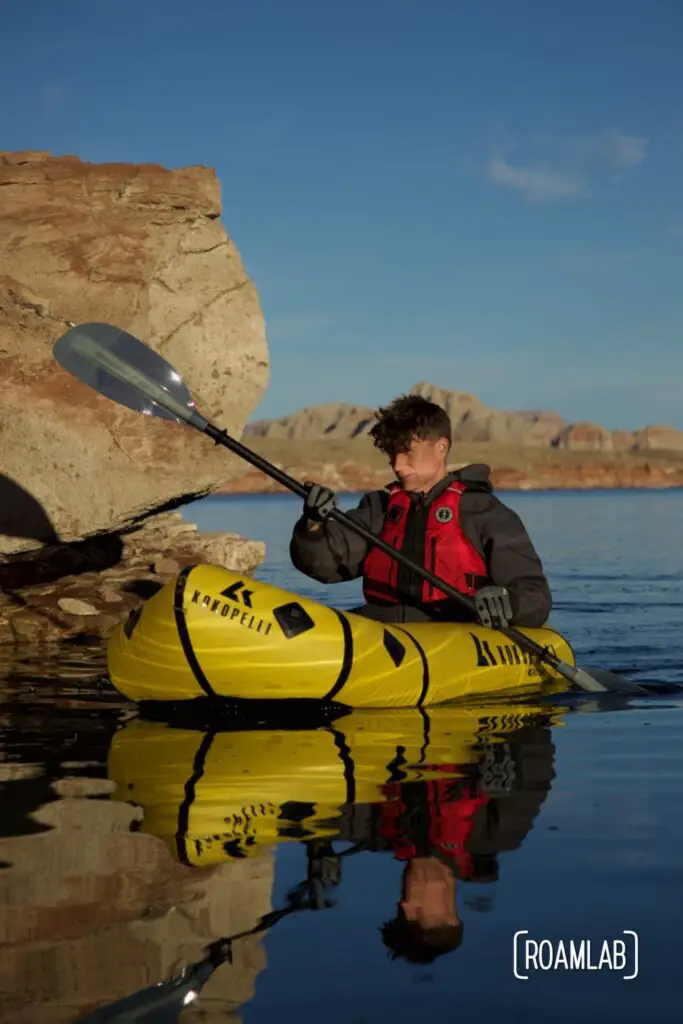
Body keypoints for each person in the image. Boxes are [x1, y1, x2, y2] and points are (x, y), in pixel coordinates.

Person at [289, 393, 552, 628]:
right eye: (392, 455)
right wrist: (313, 525)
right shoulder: (379, 508)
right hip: (383, 630)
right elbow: (324, 565)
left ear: (441, 448)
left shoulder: (485, 512)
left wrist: (510, 603)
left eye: (407, 453)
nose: (397, 466)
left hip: (454, 632)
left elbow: (535, 595)